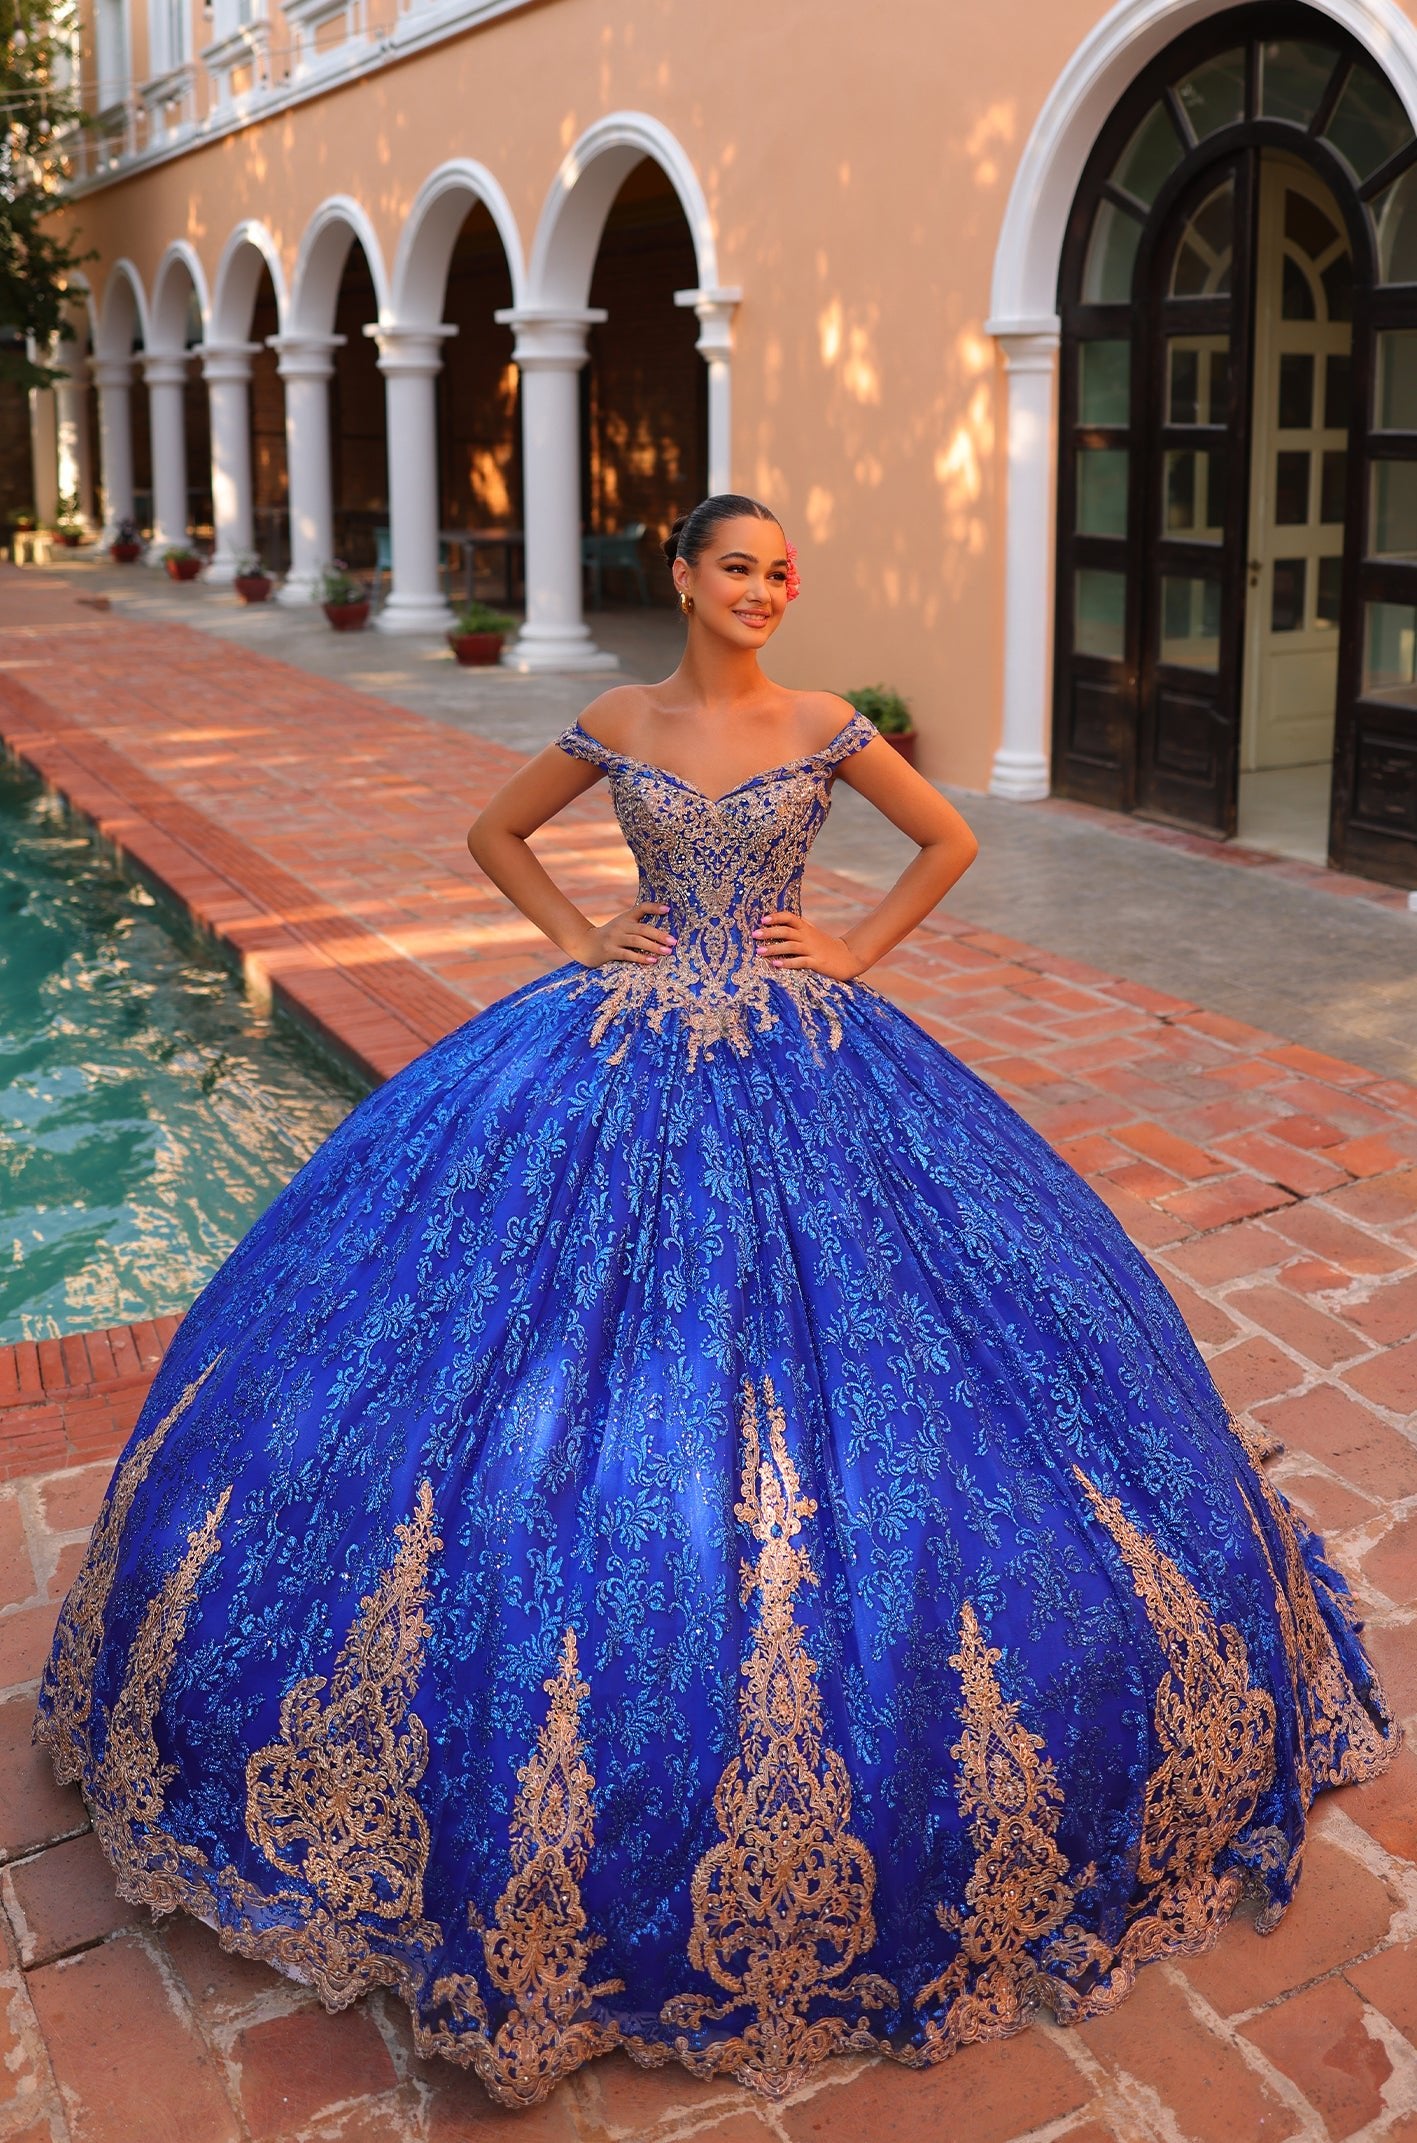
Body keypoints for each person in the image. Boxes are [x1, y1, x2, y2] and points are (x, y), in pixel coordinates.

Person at [35, 494, 1394, 2110]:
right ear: (679, 575)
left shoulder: (823, 726)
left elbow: (951, 839)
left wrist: (852, 955)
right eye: (736, 567)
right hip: (613, 1034)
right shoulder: (615, 717)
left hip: (801, 1049)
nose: (762, 592)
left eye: (781, 573)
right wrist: (574, 941)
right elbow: (497, 835)